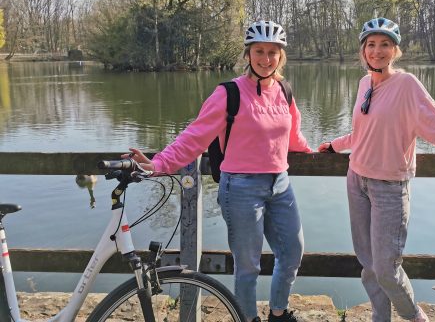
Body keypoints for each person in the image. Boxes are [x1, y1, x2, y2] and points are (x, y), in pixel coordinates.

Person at [317, 17, 435, 322]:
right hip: (357, 181)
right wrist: (336, 145)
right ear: (363, 51)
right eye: (371, 45)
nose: (377, 51)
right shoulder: (365, 82)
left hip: (389, 187)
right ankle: (381, 317)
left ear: (395, 51)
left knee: (387, 269)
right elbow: (362, 131)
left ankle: (416, 317)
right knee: (368, 265)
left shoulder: (406, 85)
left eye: (385, 45)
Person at [126, 20, 311, 322]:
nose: (266, 59)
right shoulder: (229, 94)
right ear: (248, 54)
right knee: (248, 265)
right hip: (240, 188)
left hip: (280, 185)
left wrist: (321, 150)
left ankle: (278, 313)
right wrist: (158, 163)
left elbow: (293, 138)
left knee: (292, 253)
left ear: (281, 56)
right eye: (259, 51)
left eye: (273, 52)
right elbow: (193, 137)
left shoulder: (284, 91)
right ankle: (247, 318)